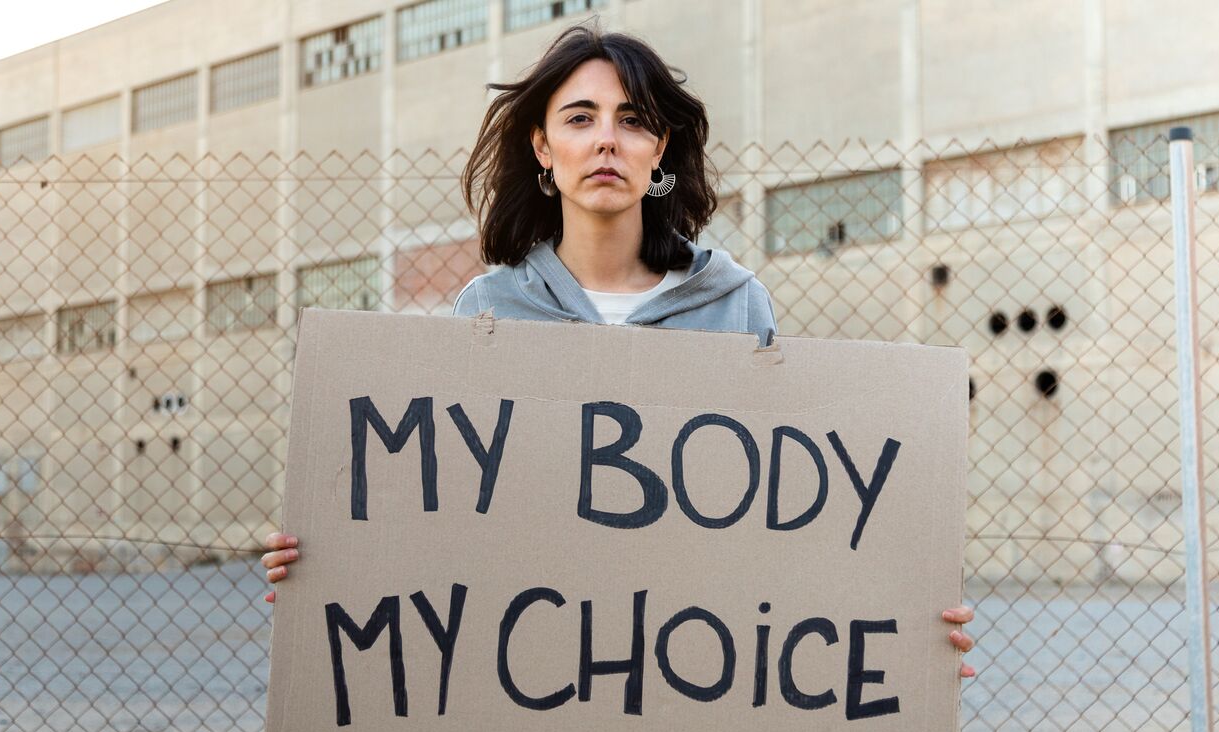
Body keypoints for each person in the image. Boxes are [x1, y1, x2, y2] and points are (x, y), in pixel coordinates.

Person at [261, 24, 976, 679]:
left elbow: (778, 522)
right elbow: (445, 524)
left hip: (690, 665)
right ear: (543, 147)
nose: (608, 140)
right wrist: (332, 560)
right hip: (535, 669)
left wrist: (904, 632)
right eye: (580, 118)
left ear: (659, 148)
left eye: (633, 121)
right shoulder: (486, 310)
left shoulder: (734, 303)